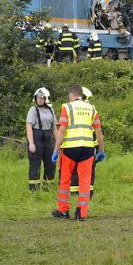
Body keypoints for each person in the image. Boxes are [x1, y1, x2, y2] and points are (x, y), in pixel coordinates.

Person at [51, 85, 106, 220]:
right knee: (85, 181)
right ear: (82, 95)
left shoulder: (67, 107)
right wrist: (101, 150)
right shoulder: (92, 108)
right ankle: (81, 213)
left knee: (65, 179)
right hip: (87, 149)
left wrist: (56, 149)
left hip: (70, 148)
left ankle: (63, 211)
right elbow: (98, 131)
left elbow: (62, 130)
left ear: (71, 95)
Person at [70, 88, 99, 199]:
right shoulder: (91, 110)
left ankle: (74, 193)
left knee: (75, 172)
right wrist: (98, 148)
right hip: (88, 147)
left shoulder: (72, 109)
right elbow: (96, 131)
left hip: (73, 147)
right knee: (88, 173)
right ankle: (87, 194)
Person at [26, 88, 56, 191]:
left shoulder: (51, 110)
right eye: (38, 98)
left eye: (42, 98)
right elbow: (29, 126)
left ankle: (48, 188)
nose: (39, 100)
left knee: (50, 163)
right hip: (36, 136)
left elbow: (54, 128)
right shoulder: (33, 110)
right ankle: (34, 190)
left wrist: (58, 144)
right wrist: (31, 143)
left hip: (48, 138)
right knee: (35, 164)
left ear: (46, 99)